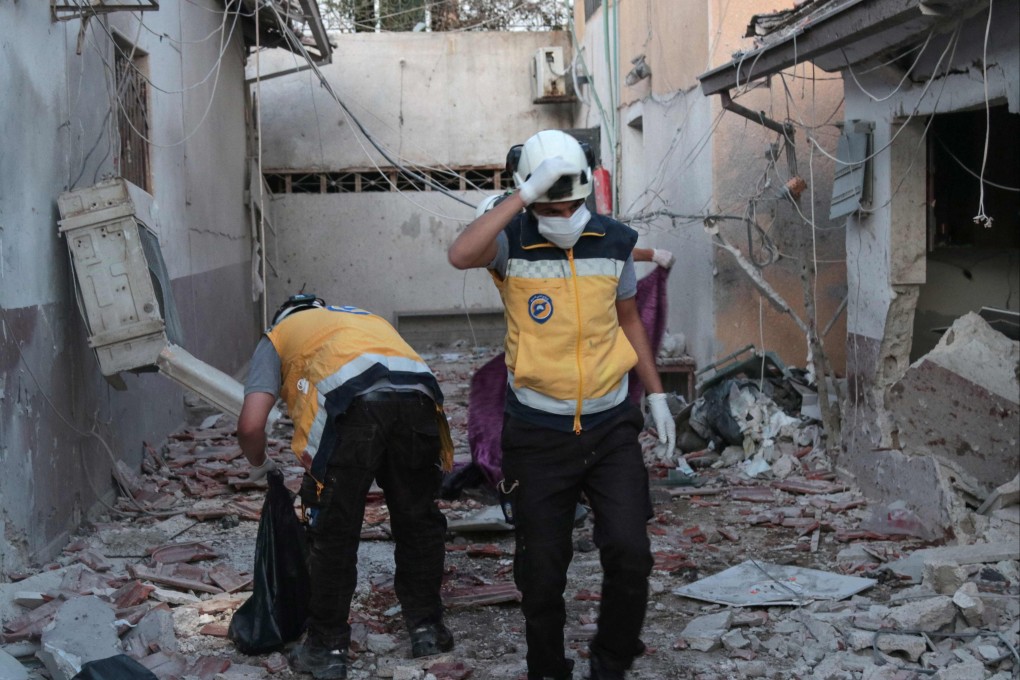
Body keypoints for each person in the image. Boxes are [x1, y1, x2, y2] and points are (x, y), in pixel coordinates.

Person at [447, 130, 677, 680]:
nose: (564, 212)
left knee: (630, 551)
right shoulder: (512, 242)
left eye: (571, 201)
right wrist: (524, 198)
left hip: (609, 425)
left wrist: (659, 394)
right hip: (536, 432)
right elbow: (460, 254)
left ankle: (611, 662)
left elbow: (627, 319)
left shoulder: (615, 240)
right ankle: (548, 668)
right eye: (552, 202)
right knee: (542, 571)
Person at [237, 294, 455, 680]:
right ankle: (427, 630)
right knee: (418, 520)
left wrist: (259, 466)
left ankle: (327, 647)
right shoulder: (363, 318)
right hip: (419, 399)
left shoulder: (277, 335)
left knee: (333, 533)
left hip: (350, 408)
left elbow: (251, 425)